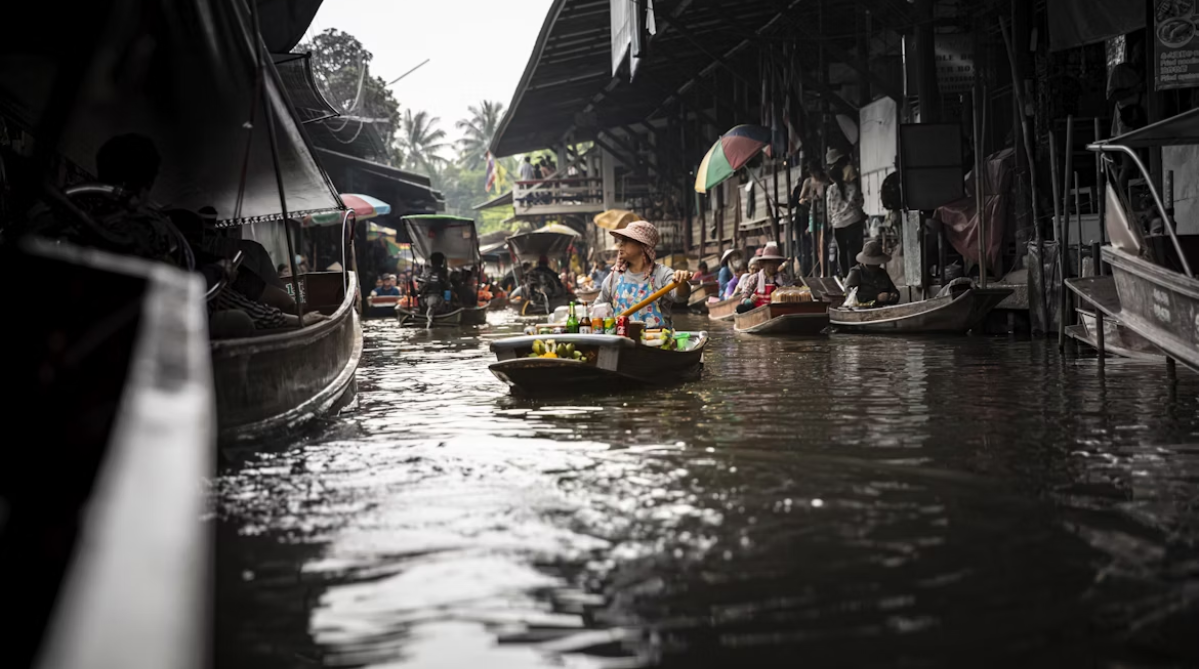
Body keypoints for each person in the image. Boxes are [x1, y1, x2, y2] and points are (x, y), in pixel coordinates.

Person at [597, 220, 692, 330]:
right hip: (623, 340)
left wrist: (682, 282)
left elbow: (681, 296)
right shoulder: (614, 278)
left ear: (643, 246)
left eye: (627, 240)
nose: (621, 244)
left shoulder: (661, 274)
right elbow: (597, 309)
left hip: (656, 342)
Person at [825, 147, 866, 278]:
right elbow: (860, 201)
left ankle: (845, 277)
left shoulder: (830, 190)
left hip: (838, 224)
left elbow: (829, 209)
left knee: (842, 251)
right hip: (854, 220)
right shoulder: (852, 186)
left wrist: (830, 223)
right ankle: (856, 275)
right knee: (855, 250)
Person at [736, 242, 792, 313]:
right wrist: (750, 301)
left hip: (779, 311)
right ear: (763, 264)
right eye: (770, 262)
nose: (773, 265)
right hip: (759, 312)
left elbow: (790, 292)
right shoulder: (755, 278)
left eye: (775, 263)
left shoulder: (784, 277)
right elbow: (742, 299)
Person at [844, 240, 900, 307]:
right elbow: (850, 294)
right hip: (861, 309)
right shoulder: (856, 272)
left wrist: (892, 296)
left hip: (882, 309)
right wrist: (876, 297)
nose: (874, 266)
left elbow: (894, 291)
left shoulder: (882, 273)